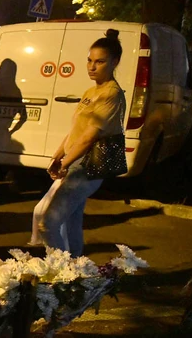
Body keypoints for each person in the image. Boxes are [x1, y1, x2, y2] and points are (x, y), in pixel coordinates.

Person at [32, 30, 127, 257]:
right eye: (89, 60)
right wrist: (57, 157)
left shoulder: (111, 94)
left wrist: (65, 162)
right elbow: (75, 131)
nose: (92, 66)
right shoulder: (91, 91)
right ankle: (75, 268)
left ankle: (62, 273)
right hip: (76, 162)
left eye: (100, 61)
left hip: (87, 166)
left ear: (115, 62)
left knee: (49, 224)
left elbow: (89, 137)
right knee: (73, 220)